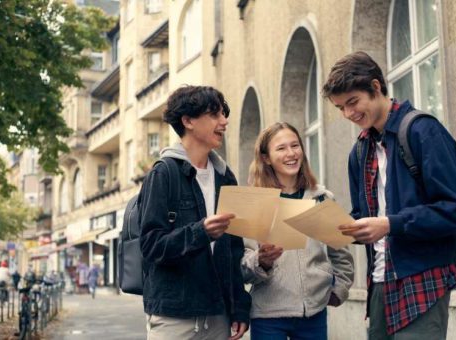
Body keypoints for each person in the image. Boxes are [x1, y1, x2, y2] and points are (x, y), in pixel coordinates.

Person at [322, 51, 456, 339]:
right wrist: (338, 227)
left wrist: (391, 224)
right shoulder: (359, 151)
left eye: (353, 102)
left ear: (376, 87)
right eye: (341, 108)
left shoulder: (423, 131)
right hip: (378, 282)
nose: (349, 114)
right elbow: (362, 216)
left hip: (423, 279)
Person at [139, 85, 251, 340]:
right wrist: (201, 232)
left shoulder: (225, 177)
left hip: (218, 315)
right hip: (174, 317)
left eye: (224, 114)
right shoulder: (163, 174)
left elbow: (234, 251)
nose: (224, 122)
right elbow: (150, 246)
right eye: (215, 114)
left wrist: (240, 308)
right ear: (188, 121)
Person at [241, 122, 354, 340]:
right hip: (268, 315)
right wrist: (261, 260)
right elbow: (242, 268)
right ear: (266, 158)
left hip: (313, 314)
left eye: (295, 145)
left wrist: (339, 289)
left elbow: (341, 253)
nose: (291, 153)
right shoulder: (254, 203)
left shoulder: (321, 198)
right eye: (281, 148)